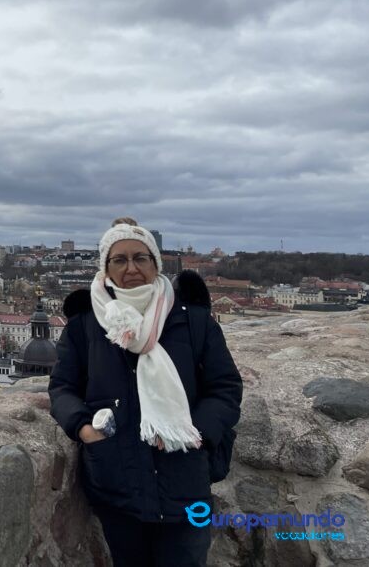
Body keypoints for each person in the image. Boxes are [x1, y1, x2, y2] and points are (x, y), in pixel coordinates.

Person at [49, 218, 242, 567]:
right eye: (119, 259)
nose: (131, 267)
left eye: (141, 258)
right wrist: (84, 429)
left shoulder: (192, 320)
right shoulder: (86, 323)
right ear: (105, 269)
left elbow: (225, 388)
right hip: (116, 479)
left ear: (156, 263)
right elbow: (62, 388)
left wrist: (196, 431)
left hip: (185, 477)